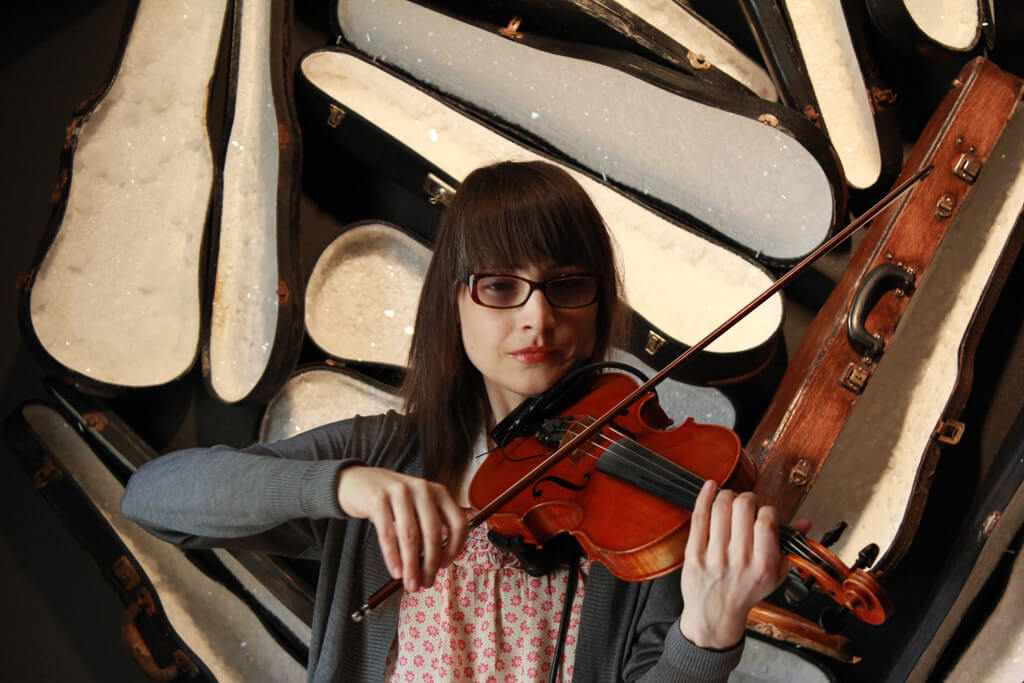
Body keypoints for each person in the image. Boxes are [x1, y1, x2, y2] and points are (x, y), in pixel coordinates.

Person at [122, 160, 794, 682]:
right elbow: (154, 497)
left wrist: (707, 637)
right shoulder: (385, 452)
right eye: (500, 286)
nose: (537, 317)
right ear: (456, 303)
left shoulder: (644, 503)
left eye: (566, 284)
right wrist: (346, 485)